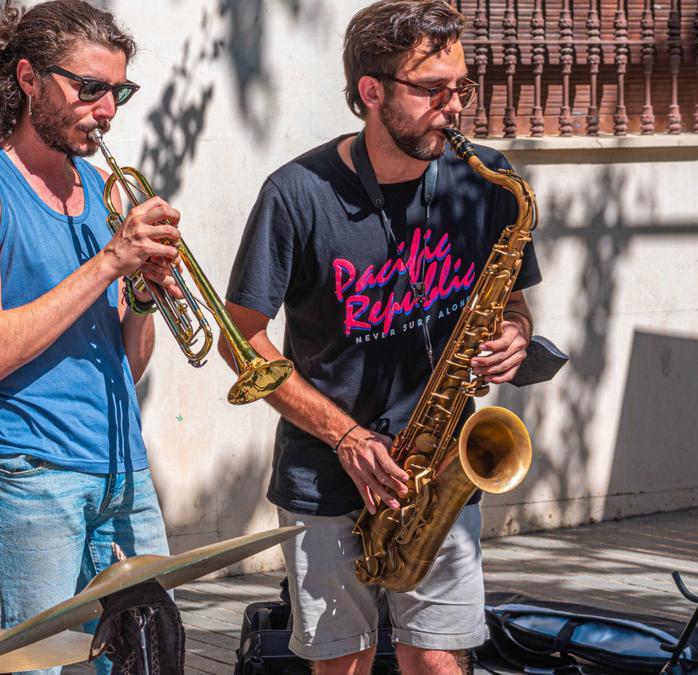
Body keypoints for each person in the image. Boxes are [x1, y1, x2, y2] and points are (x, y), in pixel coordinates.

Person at [222, 2, 541, 674]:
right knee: (344, 663)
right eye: (432, 90)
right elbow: (240, 339)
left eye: (461, 88)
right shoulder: (296, 193)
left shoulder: (488, 182)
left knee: (437, 661)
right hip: (324, 475)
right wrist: (346, 436)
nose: (453, 107)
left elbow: (512, 301)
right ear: (371, 91)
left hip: (439, 469)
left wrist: (515, 332)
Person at [0, 1, 180, 673]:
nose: (106, 110)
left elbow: (129, 363)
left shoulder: (105, 191)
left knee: (152, 661)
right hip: (29, 472)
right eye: (88, 88)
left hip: (124, 471)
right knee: (32, 667)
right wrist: (108, 264)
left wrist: (146, 298)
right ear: (30, 78)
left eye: (117, 92)